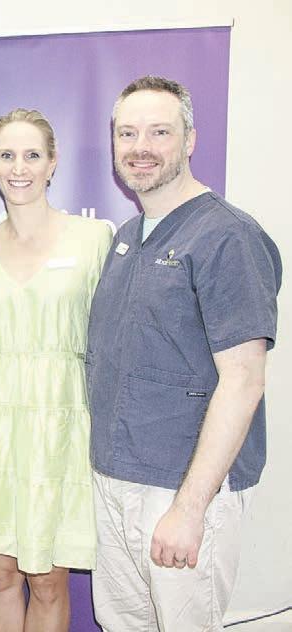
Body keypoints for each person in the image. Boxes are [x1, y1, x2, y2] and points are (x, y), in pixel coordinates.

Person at [87, 75, 281, 631]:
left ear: (190, 140)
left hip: (181, 489)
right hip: (116, 478)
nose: (140, 147)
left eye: (159, 132)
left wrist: (190, 508)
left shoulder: (228, 237)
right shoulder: (128, 237)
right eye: (127, 133)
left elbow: (243, 380)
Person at [0, 109, 113, 632]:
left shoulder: (95, 239)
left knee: (48, 580)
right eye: (8, 156)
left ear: (53, 163)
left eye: (32, 155)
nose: (20, 168)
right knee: (0, 576)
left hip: (62, 424)